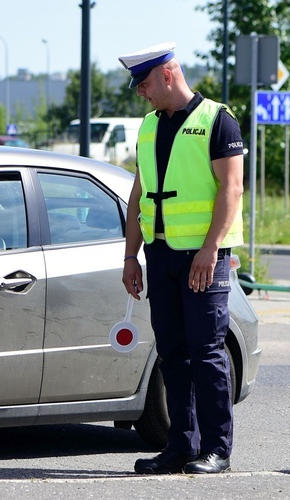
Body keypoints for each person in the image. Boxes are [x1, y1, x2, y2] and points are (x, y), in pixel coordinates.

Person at [118, 42, 245, 475]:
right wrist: (130, 256)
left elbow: (232, 189)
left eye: (146, 83)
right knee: (172, 353)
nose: (142, 93)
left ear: (168, 75)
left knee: (207, 352)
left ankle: (217, 450)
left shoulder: (218, 121)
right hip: (161, 255)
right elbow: (138, 194)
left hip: (203, 257)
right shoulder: (149, 127)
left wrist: (210, 249)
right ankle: (181, 445)